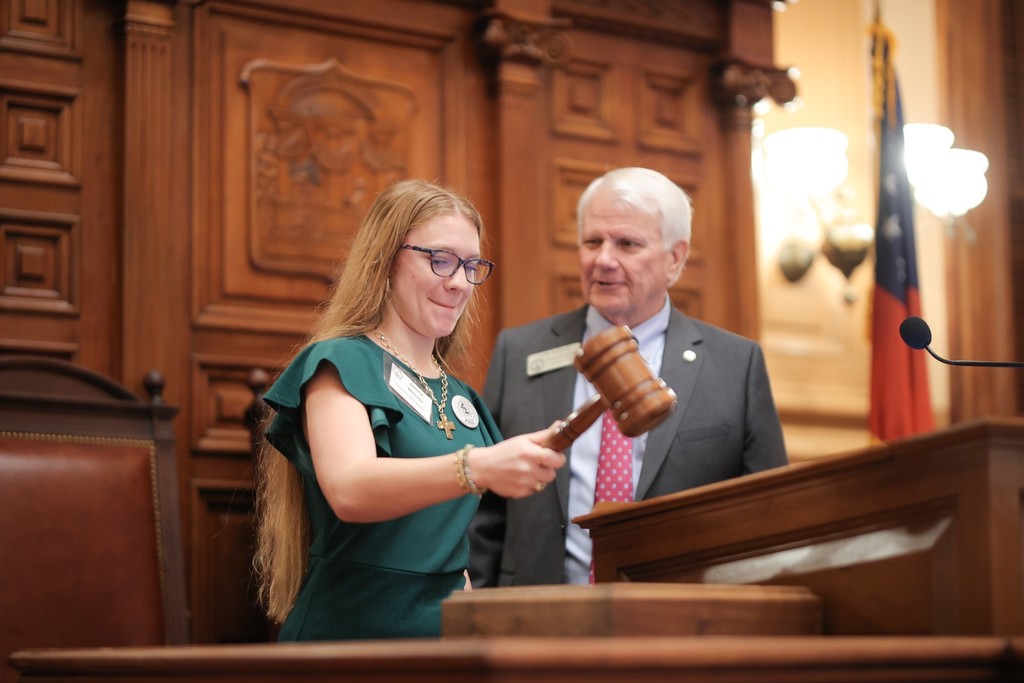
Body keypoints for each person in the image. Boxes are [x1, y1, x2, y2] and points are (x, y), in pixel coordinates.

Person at [254, 178, 566, 641]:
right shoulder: (339, 361)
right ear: (386, 259)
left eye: (472, 265)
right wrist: (475, 466)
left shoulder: (461, 397)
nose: (460, 283)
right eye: (440, 260)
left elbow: (450, 550)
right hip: (351, 639)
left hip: (442, 644)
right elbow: (350, 489)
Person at [468, 166, 788, 587]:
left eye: (627, 244)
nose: (603, 259)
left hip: (680, 623)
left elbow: (768, 515)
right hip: (534, 619)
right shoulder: (522, 351)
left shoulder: (735, 364)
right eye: (592, 241)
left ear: (675, 258)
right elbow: (485, 511)